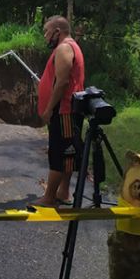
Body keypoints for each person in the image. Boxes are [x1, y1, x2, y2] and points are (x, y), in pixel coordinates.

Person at [31, 16, 85, 208]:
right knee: (67, 153)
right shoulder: (70, 46)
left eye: (47, 32)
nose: (46, 37)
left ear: (57, 31)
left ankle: (49, 197)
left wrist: (49, 109)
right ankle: (63, 192)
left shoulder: (64, 48)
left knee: (59, 153)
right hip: (68, 111)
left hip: (64, 111)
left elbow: (62, 82)